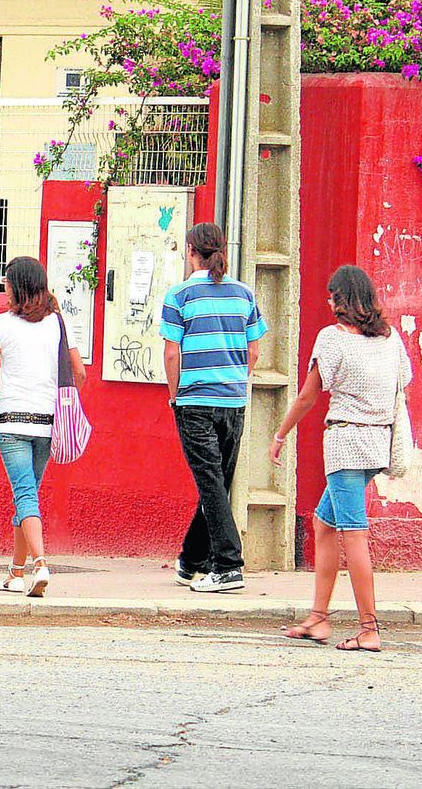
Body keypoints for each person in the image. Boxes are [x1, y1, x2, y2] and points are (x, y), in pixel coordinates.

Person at [271, 265, 410, 652]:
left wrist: (280, 434)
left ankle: (369, 628)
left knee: (355, 533)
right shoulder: (390, 339)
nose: (327, 301)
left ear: (343, 299)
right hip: (377, 444)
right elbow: (404, 385)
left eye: (332, 295)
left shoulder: (332, 340)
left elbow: (307, 396)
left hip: (346, 442)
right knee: (323, 523)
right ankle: (318, 617)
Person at [160, 222, 268, 594]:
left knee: (211, 483)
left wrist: (175, 395)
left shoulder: (179, 296)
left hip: (194, 401)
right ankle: (192, 561)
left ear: (191, 250)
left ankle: (227, 564)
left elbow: (172, 352)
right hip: (233, 400)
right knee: (217, 483)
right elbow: (254, 350)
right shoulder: (243, 294)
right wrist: (236, 379)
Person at [0, 257, 87, 597]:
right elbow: (79, 373)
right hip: (47, 425)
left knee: (24, 493)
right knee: (28, 495)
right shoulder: (59, 324)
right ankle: (16, 572)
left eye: (5, 283)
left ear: (15, 287)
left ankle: (40, 564)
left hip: (11, 422)